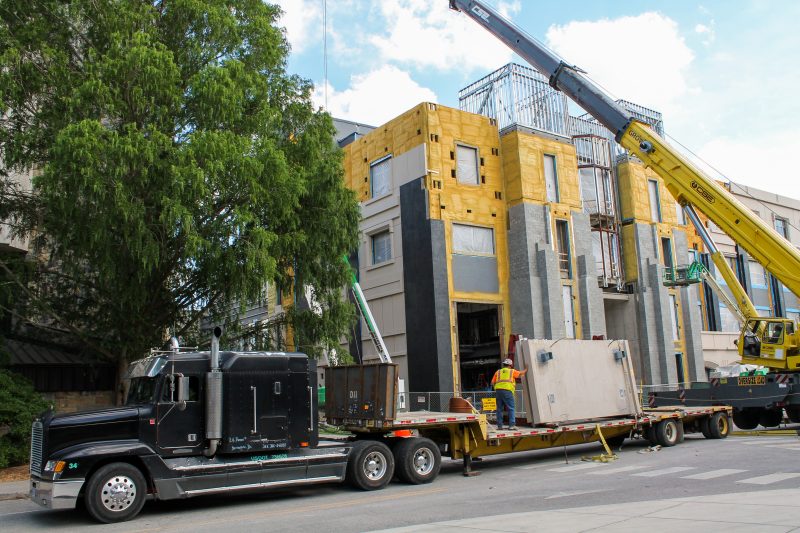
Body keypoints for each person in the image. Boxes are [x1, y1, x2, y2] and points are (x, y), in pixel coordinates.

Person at [491, 358, 528, 430]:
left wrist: (497, 387)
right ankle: (511, 425)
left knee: (499, 409)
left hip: (498, 391)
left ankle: (499, 426)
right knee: (511, 408)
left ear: (504, 364)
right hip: (507, 391)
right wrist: (526, 369)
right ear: (510, 365)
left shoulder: (498, 372)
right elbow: (521, 373)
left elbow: (492, 382)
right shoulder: (512, 371)